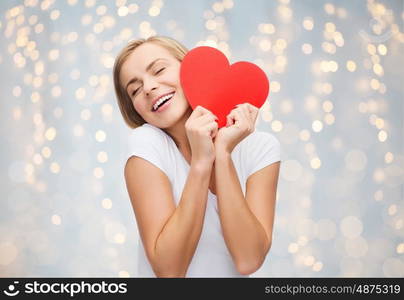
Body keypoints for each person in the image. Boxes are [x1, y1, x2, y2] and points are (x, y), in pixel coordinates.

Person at [113, 35, 281, 278]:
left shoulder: (261, 148)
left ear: (190, 68)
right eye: (135, 89)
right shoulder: (146, 144)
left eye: (159, 70)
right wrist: (201, 163)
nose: (148, 88)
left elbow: (248, 260)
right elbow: (169, 271)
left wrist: (222, 154)